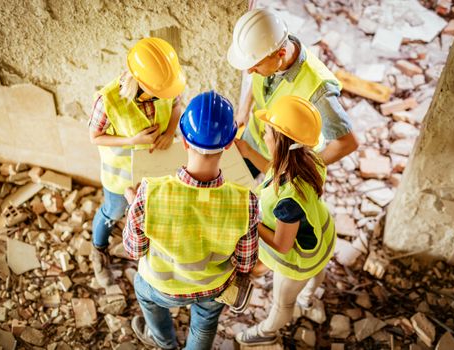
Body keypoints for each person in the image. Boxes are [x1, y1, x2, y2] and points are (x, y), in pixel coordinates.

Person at [122, 91, 259, 350]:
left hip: (160, 286)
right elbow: (245, 263)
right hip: (212, 288)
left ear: (184, 141)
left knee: (144, 293)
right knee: (205, 324)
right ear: (229, 143)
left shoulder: (149, 193)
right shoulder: (247, 202)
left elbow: (134, 250)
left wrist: (134, 207)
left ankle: (163, 342)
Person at [235, 96, 336, 346]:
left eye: (267, 131)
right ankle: (309, 297)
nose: (264, 135)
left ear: (278, 140)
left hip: (300, 259)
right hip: (322, 240)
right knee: (317, 273)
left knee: (283, 302)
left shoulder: (288, 200)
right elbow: (275, 168)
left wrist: (249, 219)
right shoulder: (308, 160)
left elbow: (282, 245)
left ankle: (266, 332)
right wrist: (247, 151)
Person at [88, 37, 185, 288]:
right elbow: (94, 136)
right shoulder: (108, 100)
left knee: (149, 209)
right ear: (141, 82)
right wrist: (132, 139)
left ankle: (141, 250)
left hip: (156, 169)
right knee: (113, 212)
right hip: (121, 176)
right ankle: (98, 251)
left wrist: (169, 133)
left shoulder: (166, 83)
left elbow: (177, 105)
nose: (166, 93)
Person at [227, 8, 358, 177]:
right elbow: (259, 81)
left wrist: (302, 170)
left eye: (256, 65)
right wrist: (243, 111)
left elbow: (347, 143)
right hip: (253, 141)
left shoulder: (319, 90)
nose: (250, 71)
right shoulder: (272, 50)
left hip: (279, 161)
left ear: (281, 54)